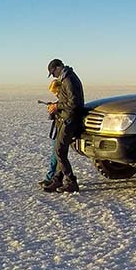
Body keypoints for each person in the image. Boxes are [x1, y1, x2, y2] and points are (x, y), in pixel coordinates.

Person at [43, 58, 85, 193]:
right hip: (66, 118)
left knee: (59, 150)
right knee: (60, 150)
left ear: (58, 67)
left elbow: (74, 103)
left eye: (53, 72)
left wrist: (57, 106)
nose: (53, 76)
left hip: (70, 120)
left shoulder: (68, 80)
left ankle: (71, 181)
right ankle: (57, 179)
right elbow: (67, 100)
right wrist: (55, 104)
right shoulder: (65, 78)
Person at [37, 78, 60, 188]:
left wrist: (56, 108)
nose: (55, 94)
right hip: (58, 130)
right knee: (56, 155)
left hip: (61, 131)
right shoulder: (60, 101)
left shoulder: (64, 101)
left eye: (55, 92)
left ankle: (52, 177)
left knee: (56, 156)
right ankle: (52, 177)